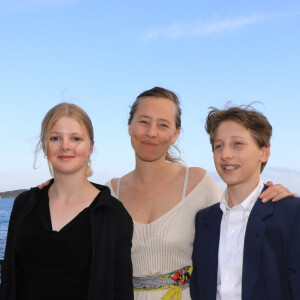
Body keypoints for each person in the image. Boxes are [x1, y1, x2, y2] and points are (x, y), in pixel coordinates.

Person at [105, 87, 295, 300]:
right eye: (143, 122)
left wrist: (277, 198)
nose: (152, 132)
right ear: (130, 126)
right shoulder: (108, 195)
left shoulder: (198, 184)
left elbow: (242, 213)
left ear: (176, 134)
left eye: (163, 125)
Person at [0, 103, 133, 300]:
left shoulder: (112, 214)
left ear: (90, 148)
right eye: (55, 138)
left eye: (76, 138)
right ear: (45, 147)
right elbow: (10, 278)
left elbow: (120, 291)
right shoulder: (24, 204)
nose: (65, 146)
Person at [190, 105, 300, 299]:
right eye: (219, 146)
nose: (225, 155)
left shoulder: (291, 213)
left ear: (264, 153)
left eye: (237, 144)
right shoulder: (204, 220)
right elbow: (199, 287)